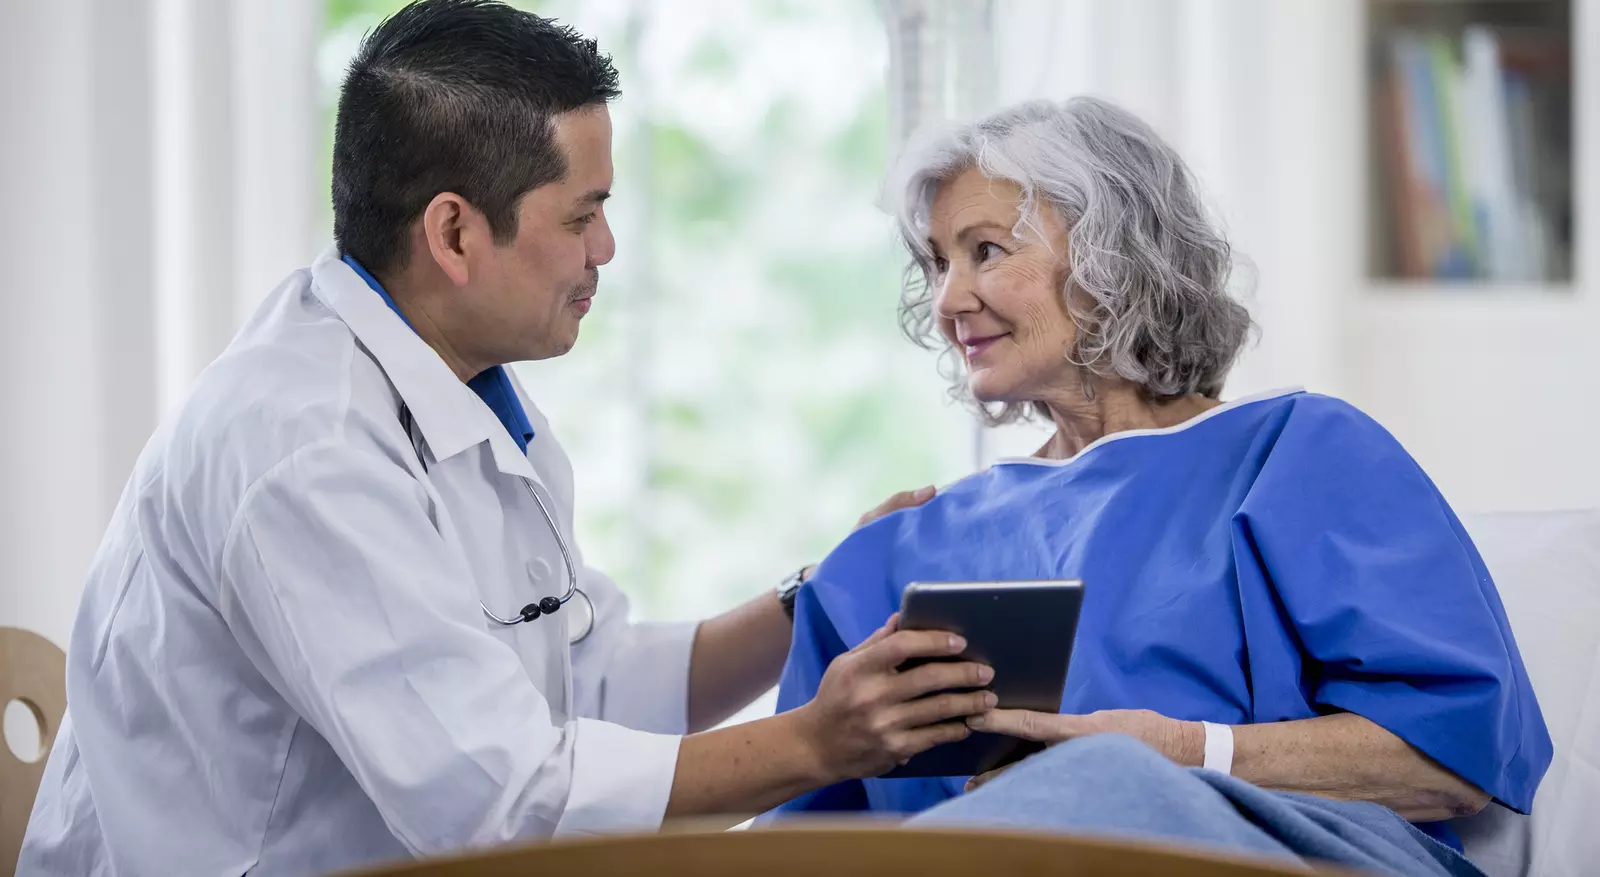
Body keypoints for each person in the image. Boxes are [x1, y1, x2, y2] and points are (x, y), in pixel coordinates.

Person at [18, 3, 993, 874]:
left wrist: (811, 594)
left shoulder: (464, 389)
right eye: (584, 214)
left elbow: (585, 678)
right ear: (453, 233)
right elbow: (499, 805)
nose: (605, 249)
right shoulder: (304, 447)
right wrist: (819, 743)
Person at [770, 96, 1552, 877]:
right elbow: (795, 848)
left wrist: (1179, 752)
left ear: (1115, 254)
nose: (948, 302)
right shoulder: (886, 557)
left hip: (1296, 855)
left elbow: (1451, 761)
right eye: (939, 263)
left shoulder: (1297, 453)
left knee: (1094, 785)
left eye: (985, 251)